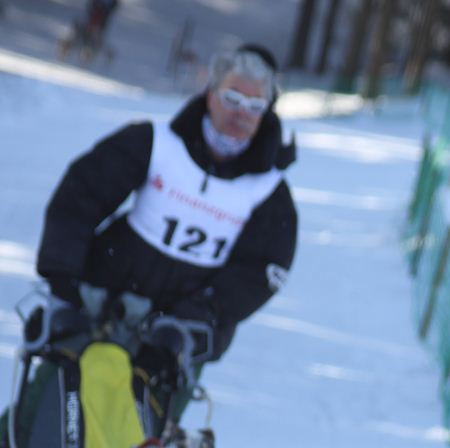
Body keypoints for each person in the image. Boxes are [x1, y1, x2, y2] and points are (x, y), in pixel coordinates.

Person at [36, 43, 298, 379]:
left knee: (138, 427)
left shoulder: (269, 192)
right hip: (98, 302)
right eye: (232, 98)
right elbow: (79, 197)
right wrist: (64, 280)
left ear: (267, 113)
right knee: (50, 408)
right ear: (211, 94)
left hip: (178, 333)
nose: (241, 113)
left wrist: (198, 318)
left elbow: (264, 271)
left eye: (254, 105)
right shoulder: (154, 143)